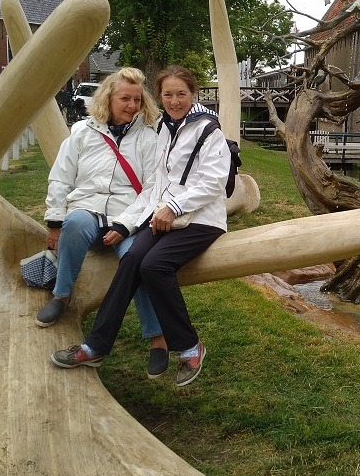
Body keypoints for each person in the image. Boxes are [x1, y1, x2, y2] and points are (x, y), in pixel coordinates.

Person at [51, 65, 231, 387]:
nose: (175, 101)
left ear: (193, 94)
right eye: (168, 94)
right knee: (133, 257)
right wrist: (128, 223)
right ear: (160, 97)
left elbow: (214, 182)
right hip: (165, 215)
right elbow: (156, 185)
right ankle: (96, 345)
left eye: (181, 94)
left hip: (201, 219)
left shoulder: (207, 129)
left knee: (154, 265)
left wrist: (173, 207)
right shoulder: (164, 128)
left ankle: (189, 345)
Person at [38, 67, 170, 378]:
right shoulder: (83, 132)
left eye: (137, 100)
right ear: (108, 99)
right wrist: (54, 222)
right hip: (88, 206)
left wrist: (124, 225)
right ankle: (62, 294)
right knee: (74, 223)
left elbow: (152, 188)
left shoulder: (148, 137)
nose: (132, 106)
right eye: (125, 99)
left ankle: (157, 338)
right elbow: (61, 176)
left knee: (138, 260)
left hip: (129, 215)